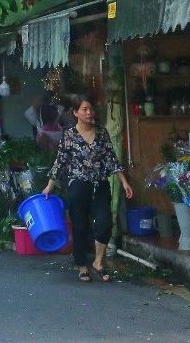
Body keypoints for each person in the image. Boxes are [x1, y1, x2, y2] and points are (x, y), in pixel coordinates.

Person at [42, 96, 133, 283]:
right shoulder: (69, 135)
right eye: (84, 109)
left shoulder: (102, 133)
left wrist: (124, 182)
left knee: (105, 223)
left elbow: (111, 159)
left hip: (100, 185)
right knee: (80, 226)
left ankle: (98, 262)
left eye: (91, 109)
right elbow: (60, 162)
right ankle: (82, 266)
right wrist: (49, 185)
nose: (89, 112)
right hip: (78, 186)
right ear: (76, 113)